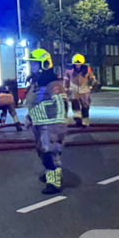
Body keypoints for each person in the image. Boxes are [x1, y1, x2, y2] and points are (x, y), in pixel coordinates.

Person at [25, 49, 68, 194]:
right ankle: (52, 175)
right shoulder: (36, 82)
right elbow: (34, 102)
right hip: (39, 123)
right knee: (42, 152)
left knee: (50, 153)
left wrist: (59, 127)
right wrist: (30, 117)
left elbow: (62, 103)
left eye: (35, 63)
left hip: (51, 124)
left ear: (44, 64)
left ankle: (54, 183)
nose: (32, 66)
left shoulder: (52, 83)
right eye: (31, 63)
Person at [65, 54, 97, 127]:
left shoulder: (87, 69)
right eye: (76, 64)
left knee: (85, 106)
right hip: (73, 89)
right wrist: (65, 89)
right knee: (75, 102)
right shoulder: (69, 70)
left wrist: (94, 82)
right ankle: (78, 118)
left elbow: (92, 77)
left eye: (79, 64)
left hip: (84, 90)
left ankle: (85, 120)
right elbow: (66, 79)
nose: (77, 65)